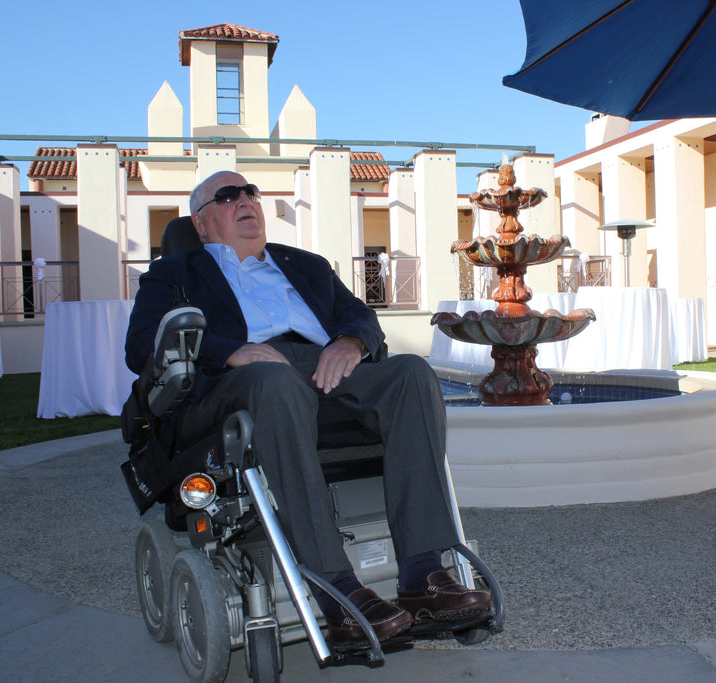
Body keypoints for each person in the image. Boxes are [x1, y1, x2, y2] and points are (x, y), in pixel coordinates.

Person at [126, 170, 489, 644]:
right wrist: (230, 351)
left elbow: (359, 314)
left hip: (323, 368)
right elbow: (141, 346)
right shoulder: (175, 272)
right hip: (237, 381)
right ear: (200, 222)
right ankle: (337, 590)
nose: (246, 200)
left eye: (251, 192)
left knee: (411, 374)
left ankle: (423, 574)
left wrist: (350, 342)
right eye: (228, 196)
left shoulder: (305, 264)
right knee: (275, 381)